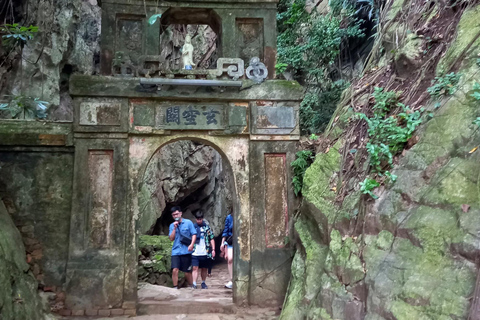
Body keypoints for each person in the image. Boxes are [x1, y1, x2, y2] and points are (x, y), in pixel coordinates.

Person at [169, 206, 197, 289]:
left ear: (181, 213)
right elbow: (171, 238)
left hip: (186, 251)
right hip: (176, 251)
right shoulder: (172, 225)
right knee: (175, 269)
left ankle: (192, 285)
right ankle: (175, 286)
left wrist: (192, 244)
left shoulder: (188, 223)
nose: (176, 216)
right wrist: (174, 228)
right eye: (174, 215)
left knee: (187, 272)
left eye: (177, 214)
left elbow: (194, 234)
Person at [191, 210, 215, 289]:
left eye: (200, 219)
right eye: (198, 219)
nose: (199, 220)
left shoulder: (206, 228)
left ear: (202, 219)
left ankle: (203, 282)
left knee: (204, 268)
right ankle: (194, 283)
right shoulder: (193, 227)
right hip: (195, 251)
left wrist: (213, 249)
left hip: (205, 252)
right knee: (195, 268)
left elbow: (211, 238)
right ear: (196, 219)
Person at [220, 210, 233, 289]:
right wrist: (222, 243)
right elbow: (226, 230)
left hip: (242, 241)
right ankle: (232, 280)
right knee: (230, 259)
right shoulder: (229, 217)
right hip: (231, 241)